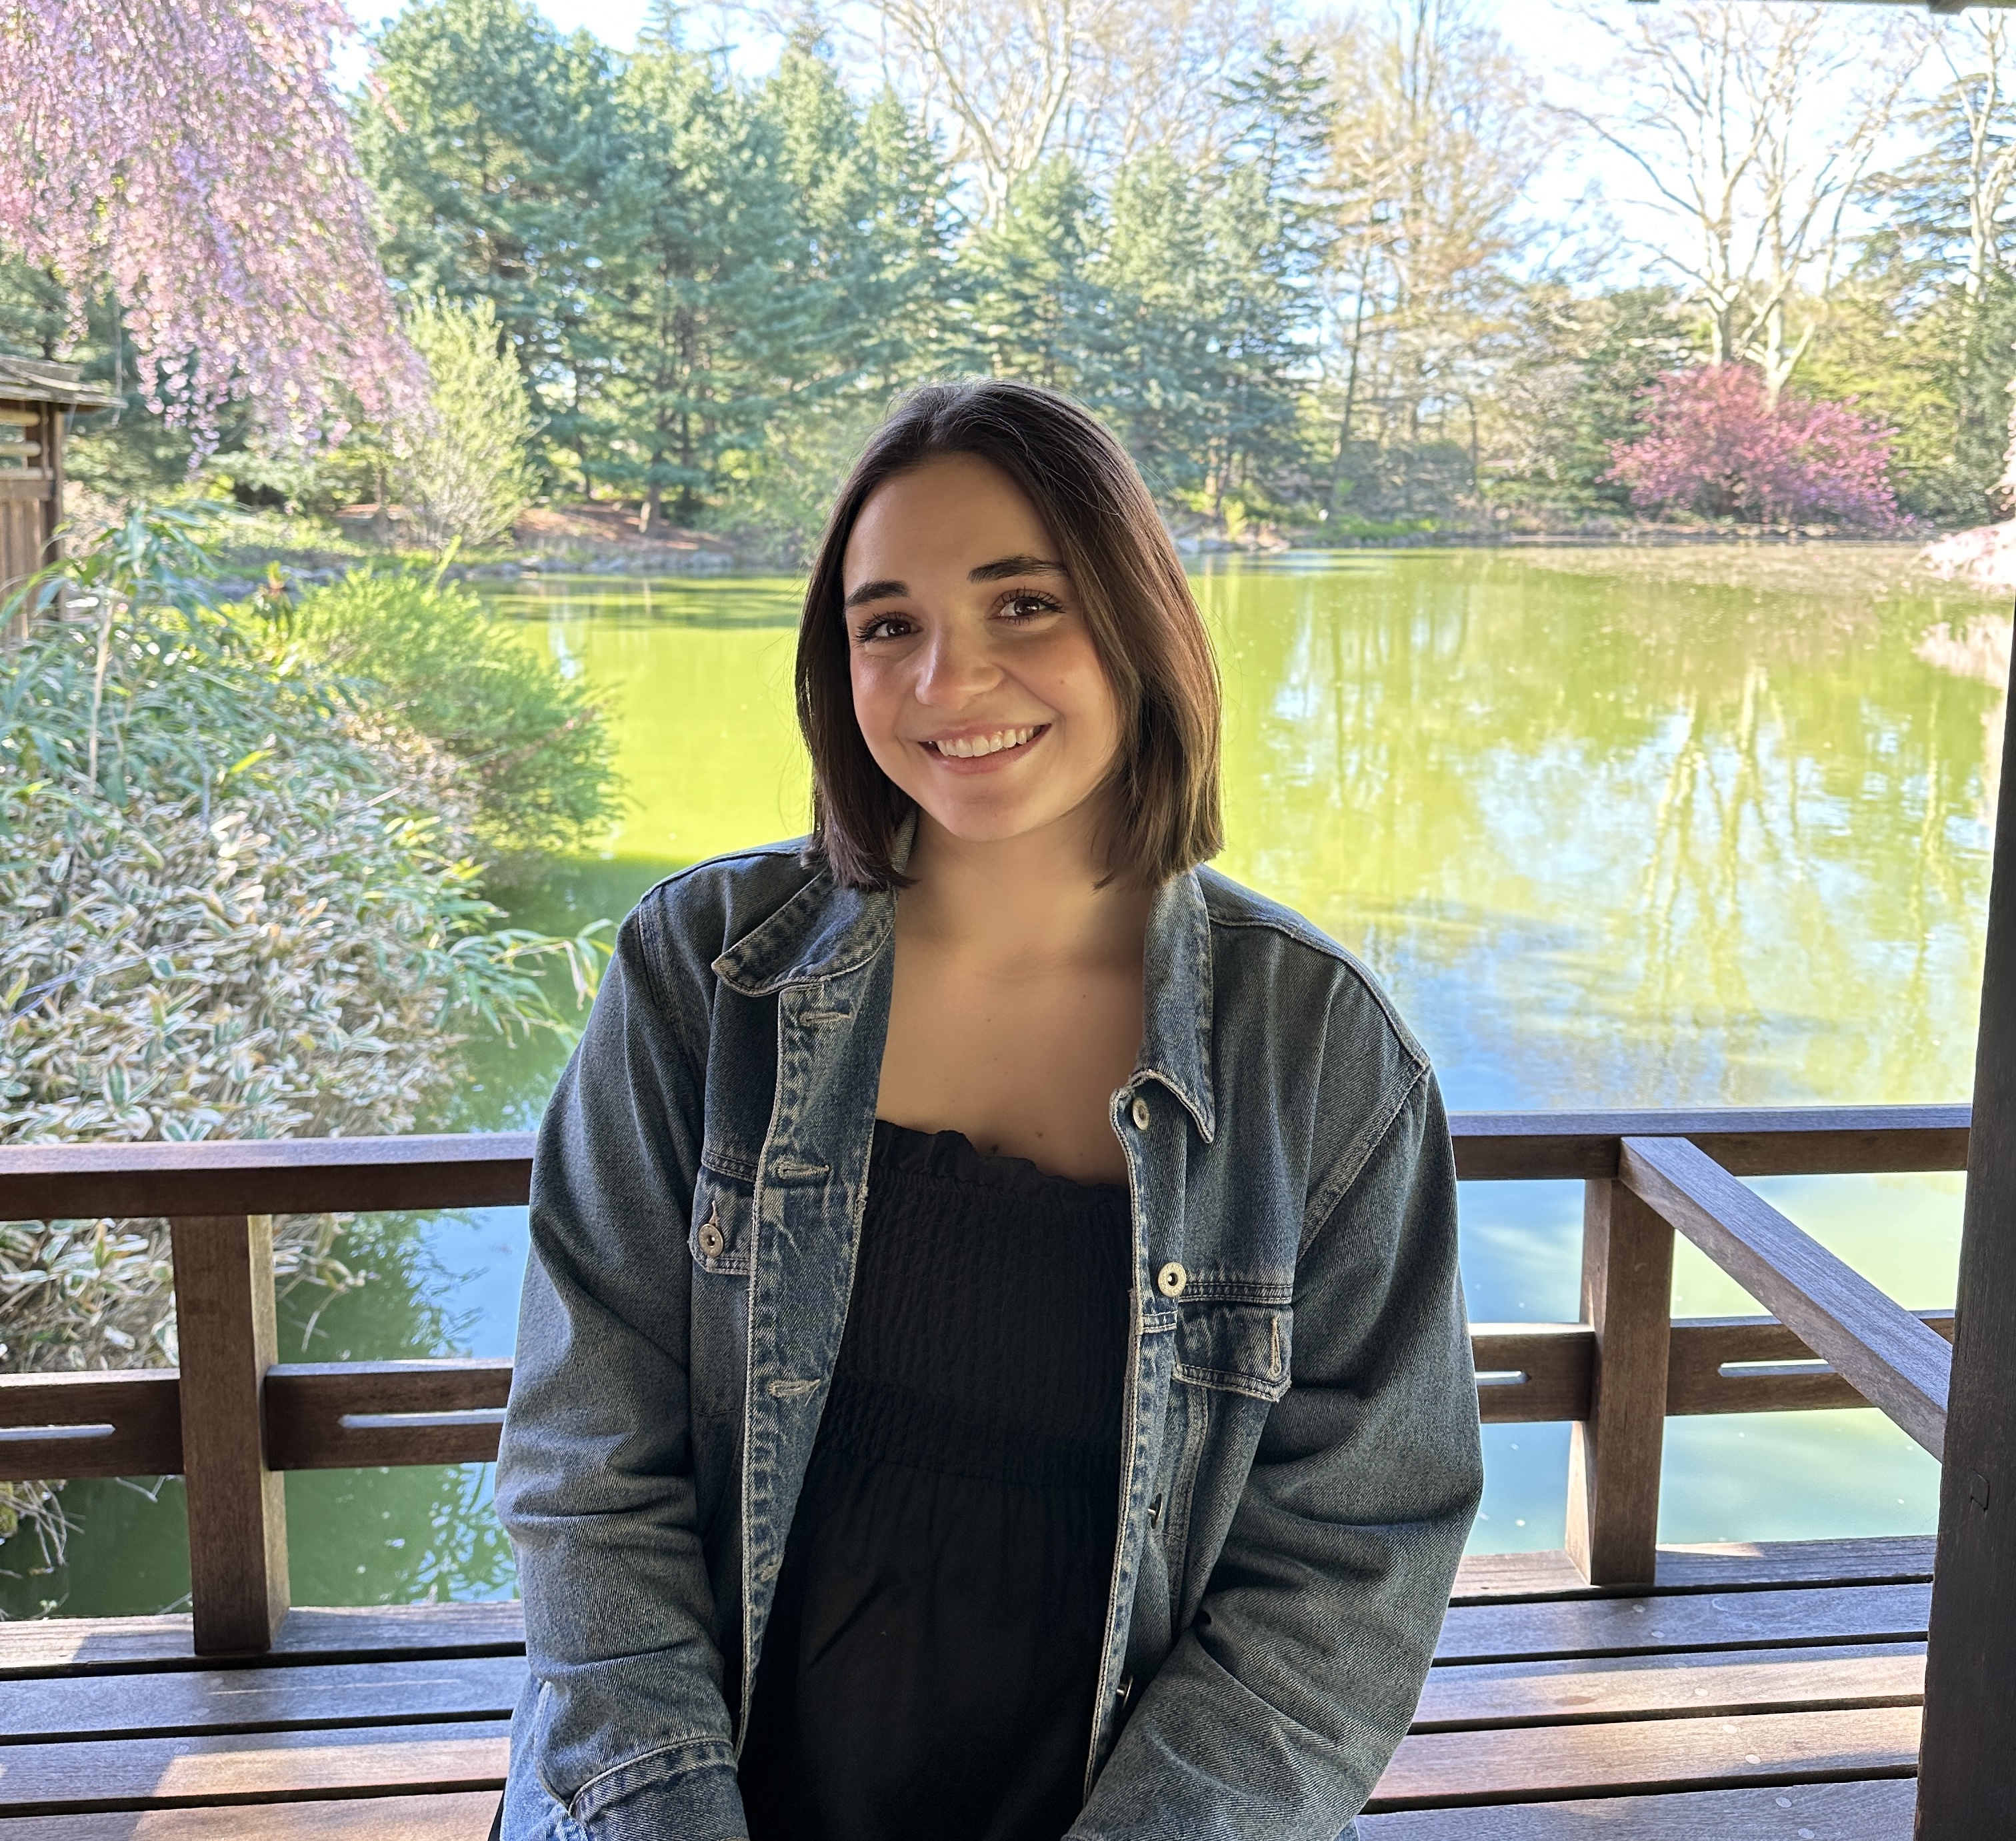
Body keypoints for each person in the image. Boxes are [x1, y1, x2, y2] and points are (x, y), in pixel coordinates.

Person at [493, 379, 1483, 1841]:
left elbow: (1351, 1556)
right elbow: (588, 1465)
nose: (948, 681)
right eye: (888, 622)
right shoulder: (703, 977)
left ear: (1142, 624)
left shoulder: (1318, 1049)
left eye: (1023, 604)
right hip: (690, 1788)